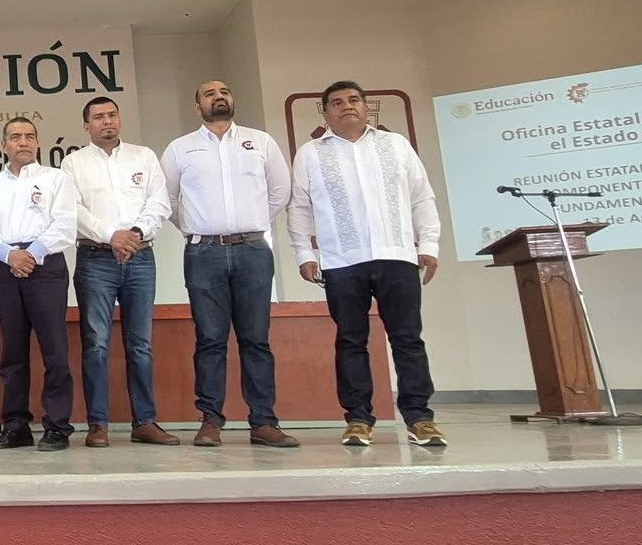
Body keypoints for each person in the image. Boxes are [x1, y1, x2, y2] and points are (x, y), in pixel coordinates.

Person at [289, 80, 447, 447]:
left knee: (407, 339)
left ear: (365, 106)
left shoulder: (395, 145)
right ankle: (358, 419)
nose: (347, 106)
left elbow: (421, 197)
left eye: (354, 100)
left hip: (397, 256)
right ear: (325, 112)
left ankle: (420, 418)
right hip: (342, 261)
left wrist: (429, 244)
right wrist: (304, 254)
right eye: (337, 102)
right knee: (350, 341)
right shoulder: (311, 154)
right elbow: (299, 207)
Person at [160, 80, 301, 448]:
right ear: (197, 107)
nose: (218, 97)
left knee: (256, 339)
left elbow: (280, 192)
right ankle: (210, 421)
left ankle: (264, 422)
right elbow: (168, 200)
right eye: (209, 94)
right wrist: (198, 227)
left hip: (253, 250)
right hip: (203, 254)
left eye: (224, 92)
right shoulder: (180, 149)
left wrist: (250, 223)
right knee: (210, 339)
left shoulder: (260, 142)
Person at [61, 96, 177, 447]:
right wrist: (111, 235)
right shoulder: (73, 163)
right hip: (95, 258)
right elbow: (73, 210)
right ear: (87, 126)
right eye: (98, 117)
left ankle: (145, 421)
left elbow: (159, 202)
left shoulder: (144, 156)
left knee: (140, 344)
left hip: (140, 256)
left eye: (112, 115)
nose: (107, 121)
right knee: (96, 343)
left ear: (120, 120)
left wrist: (134, 234)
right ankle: (98, 424)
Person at [0, 117, 79, 451]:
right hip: (5, 266)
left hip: (46, 265)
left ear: (37, 143)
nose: (23, 142)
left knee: (55, 350)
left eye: (30, 136)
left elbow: (65, 225)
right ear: (4, 145)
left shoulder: (56, 179)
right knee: (13, 351)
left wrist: (30, 255)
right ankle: (16, 426)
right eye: (16, 137)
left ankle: (57, 426)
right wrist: (11, 255)